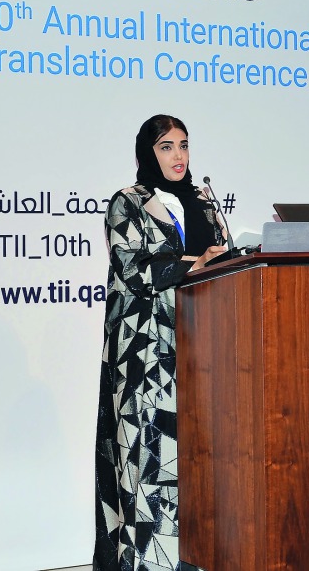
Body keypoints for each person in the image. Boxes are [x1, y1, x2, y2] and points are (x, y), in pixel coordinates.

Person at [94, 115, 227, 571]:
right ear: (147, 153)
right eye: (167, 147)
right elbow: (135, 269)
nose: (178, 156)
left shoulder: (204, 204)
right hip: (146, 351)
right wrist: (195, 262)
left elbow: (225, 262)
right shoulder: (127, 203)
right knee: (148, 455)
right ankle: (148, 561)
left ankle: (201, 556)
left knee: (204, 457)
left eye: (184, 145)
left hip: (206, 348)